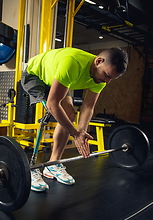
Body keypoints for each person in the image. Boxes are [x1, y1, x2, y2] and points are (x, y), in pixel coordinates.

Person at [21, 47, 128, 192]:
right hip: (35, 75)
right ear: (99, 61)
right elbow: (53, 104)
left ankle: (53, 164)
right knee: (50, 112)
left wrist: (82, 131)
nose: (107, 82)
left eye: (111, 79)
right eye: (107, 75)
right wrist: (75, 134)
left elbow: (88, 106)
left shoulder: (101, 78)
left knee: (70, 115)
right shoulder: (72, 63)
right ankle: (32, 167)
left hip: (55, 75)